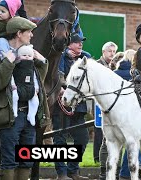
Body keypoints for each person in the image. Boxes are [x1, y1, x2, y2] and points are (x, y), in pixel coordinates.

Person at [0, 16, 49, 180]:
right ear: (19, 33)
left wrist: (42, 62)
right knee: (9, 160)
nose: (32, 35)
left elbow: (38, 83)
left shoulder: (28, 55)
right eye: (29, 32)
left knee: (26, 160)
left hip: (29, 117)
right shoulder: (1, 55)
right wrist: (8, 62)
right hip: (11, 117)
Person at [53, 32, 91, 180]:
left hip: (79, 107)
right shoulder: (60, 57)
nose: (80, 44)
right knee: (60, 140)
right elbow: (56, 76)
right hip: (62, 106)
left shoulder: (84, 58)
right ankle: (61, 174)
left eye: (81, 42)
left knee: (82, 138)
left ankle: (72, 171)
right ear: (69, 44)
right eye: (77, 42)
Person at [113, 49, 141, 180]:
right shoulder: (137, 75)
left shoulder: (115, 73)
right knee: (133, 141)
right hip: (133, 113)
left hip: (115, 114)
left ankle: (120, 172)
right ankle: (130, 171)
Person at [94, 41, 118, 164]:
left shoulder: (116, 66)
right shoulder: (97, 65)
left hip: (112, 103)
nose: (112, 54)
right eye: (110, 51)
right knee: (99, 130)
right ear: (104, 52)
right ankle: (97, 158)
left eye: (114, 51)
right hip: (99, 101)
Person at [11, 44, 39, 126]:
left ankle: (31, 115)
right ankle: (14, 111)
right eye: (24, 55)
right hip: (18, 88)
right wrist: (12, 85)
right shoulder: (16, 66)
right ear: (18, 56)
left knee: (35, 101)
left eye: (29, 55)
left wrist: (36, 87)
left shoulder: (32, 67)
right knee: (14, 97)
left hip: (30, 88)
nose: (27, 57)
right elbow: (11, 75)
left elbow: (34, 78)